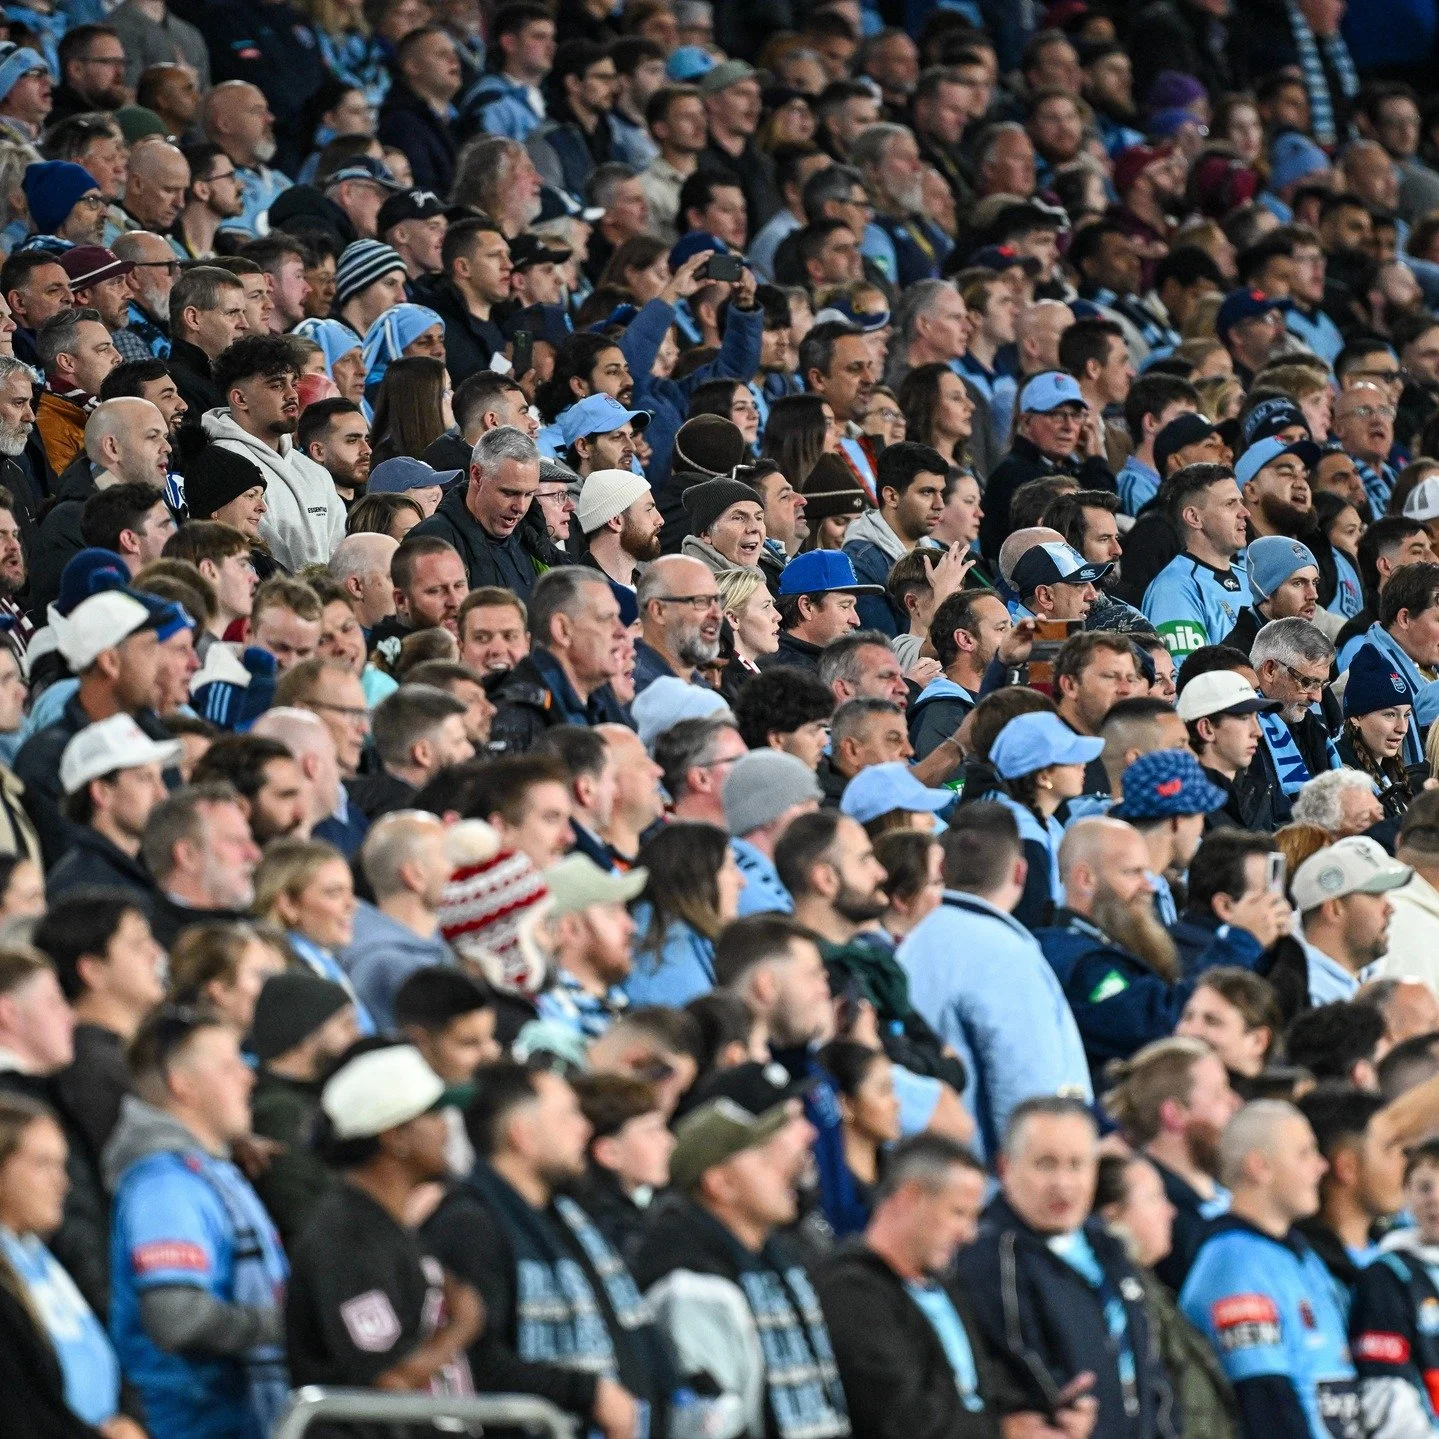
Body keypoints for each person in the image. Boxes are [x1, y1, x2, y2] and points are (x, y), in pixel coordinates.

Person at [424, 1060, 670, 1439]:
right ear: (522, 1135)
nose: (584, 1128)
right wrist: (590, 1393)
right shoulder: (468, 1226)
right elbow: (475, 1362)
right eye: (569, 1116)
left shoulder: (568, 1218)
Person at [631, 1060, 851, 1439]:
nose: (786, 1169)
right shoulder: (689, 1280)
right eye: (765, 1155)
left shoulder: (781, 1258)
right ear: (720, 1183)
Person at [107, 1004, 289, 1439]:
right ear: (182, 1084)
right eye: (230, 1067)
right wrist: (292, 1324)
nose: (250, 1077)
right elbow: (178, 1319)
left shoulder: (207, 1172)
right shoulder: (165, 1185)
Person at [957, 1097, 1170, 1439]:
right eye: (1045, 1164)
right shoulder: (990, 1258)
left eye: (1076, 1165)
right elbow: (1020, 1374)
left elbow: (1151, 1366)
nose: (1064, 1183)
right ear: (1004, 1167)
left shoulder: (1109, 1247)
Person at [285, 1039, 482, 1401]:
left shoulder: (383, 1222)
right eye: (434, 1115)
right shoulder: (345, 1237)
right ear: (396, 1137)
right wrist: (463, 1325)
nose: (446, 1128)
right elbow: (387, 1380)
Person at [1180, 1101, 1358, 1439]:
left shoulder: (1304, 1257)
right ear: (1260, 1167)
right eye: (1305, 1153)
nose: (1321, 1166)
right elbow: (1265, 1403)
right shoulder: (1234, 1266)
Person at [0, 1092, 135, 1439]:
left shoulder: (40, 1256)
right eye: (43, 1164)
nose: (63, 1183)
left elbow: (106, 1356)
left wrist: (130, 1420)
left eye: (62, 1165)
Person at [1105, 1037, 1242, 1293]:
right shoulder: (1166, 1216)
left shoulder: (1227, 1191)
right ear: (1175, 1114)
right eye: (1219, 1093)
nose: (1235, 1103)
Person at [203, 333, 346, 573]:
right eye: (277, 385)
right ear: (240, 398)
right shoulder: (221, 467)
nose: (292, 395)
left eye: (294, 383)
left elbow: (340, 552)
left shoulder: (315, 472)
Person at [245, 972, 358, 1246]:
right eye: (346, 1025)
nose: (357, 1035)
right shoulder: (278, 1112)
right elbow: (301, 1216)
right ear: (306, 1034)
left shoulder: (315, 1097)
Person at [490, 568, 630, 751]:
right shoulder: (518, 714)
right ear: (562, 630)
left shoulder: (600, 698)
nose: (621, 632)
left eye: (618, 618)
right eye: (606, 618)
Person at [986, 710, 1104, 928]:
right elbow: (1034, 923)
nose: (1082, 764)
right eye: (1071, 758)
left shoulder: (1046, 823)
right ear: (1043, 776)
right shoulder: (1022, 837)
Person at [340, 811, 455, 1030]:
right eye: (450, 856)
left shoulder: (440, 944)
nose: (461, 868)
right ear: (415, 876)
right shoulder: (383, 966)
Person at [409, 425, 554, 598]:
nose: (520, 507)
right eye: (509, 493)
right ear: (477, 476)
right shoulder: (431, 540)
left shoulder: (529, 538)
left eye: (528, 494)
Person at [626, 820, 744, 1007]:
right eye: (730, 867)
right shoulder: (665, 957)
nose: (742, 882)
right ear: (699, 877)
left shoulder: (681, 941)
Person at [1143, 464, 1253, 657]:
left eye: (1241, 502)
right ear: (1194, 517)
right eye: (1230, 504)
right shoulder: (1173, 589)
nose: (1245, 512)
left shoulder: (1252, 580)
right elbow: (1187, 679)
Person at [534, 854, 647, 1040]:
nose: (631, 926)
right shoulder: (550, 1022)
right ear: (570, 929)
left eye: (625, 910)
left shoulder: (618, 1007)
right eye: (612, 912)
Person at [141, 782, 263, 949]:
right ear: (188, 855)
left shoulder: (261, 933)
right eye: (236, 841)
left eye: (249, 840)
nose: (255, 854)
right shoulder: (149, 944)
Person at [1293, 836, 1411, 1006]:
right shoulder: (1303, 996)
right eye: (1375, 894)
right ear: (1334, 908)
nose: (1390, 908)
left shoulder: (1360, 980)